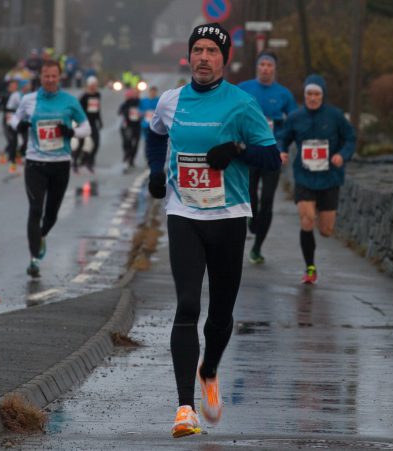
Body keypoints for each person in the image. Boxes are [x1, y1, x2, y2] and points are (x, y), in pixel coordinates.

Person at [145, 22, 282, 438]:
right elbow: (154, 134)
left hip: (228, 217)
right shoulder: (170, 101)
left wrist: (239, 149)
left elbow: (272, 158)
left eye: (212, 51)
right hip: (184, 214)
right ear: (189, 57)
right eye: (198, 50)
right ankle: (185, 408)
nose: (204, 57)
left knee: (220, 314)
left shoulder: (241, 104)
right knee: (188, 305)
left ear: (224, 59)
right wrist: (155, 171)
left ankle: (210, 369)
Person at [10, 60, 90, 278]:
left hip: (60, 163)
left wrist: (71, 132)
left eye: (54, 76)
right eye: (46, 76)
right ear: (41, 77)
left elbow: (86, 127)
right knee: (35, 209)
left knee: (51, 214)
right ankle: (34, 258)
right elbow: (14, 118)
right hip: (35, 163)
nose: (50, 79)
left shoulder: (70, 101)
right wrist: (19, 125)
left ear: (60, 77)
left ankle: (41, 235)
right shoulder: (29, 100)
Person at [277, 74, 355, 284]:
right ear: (304, 96)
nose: (312, 98)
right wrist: (281, 151)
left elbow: (350, 138)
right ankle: (310, 268)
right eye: (309, 94)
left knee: (326, 230)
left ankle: (322, 216)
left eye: (316, 94)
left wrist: (342, 155)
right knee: (307, 220)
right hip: (304, 176)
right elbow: (282, 138)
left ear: (323, 95)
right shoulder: (295, 117)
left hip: (330, 177)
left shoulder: (335, 116)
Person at [238, 50, 297, 264]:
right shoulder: (244, 89)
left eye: (269, 65)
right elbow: (230, 114)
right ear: (257, 67)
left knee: (268, 201)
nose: (265, 68)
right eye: (262, 64)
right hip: (251, 151)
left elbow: (293, 124)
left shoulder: (284, 94)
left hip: (273, 154)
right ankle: (251, 219)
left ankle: (257, 247)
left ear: (274, 69)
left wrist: (285, 146)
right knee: (251, 197)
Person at [73, 75, 102, 173]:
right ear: (88, 86)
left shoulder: (97, 95)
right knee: (81, 144)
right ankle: (75, 164)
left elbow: (97, 109)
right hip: (84, 123)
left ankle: (89, 162)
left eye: (95, 85)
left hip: (93, 123)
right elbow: (78, 111)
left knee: (96, 143)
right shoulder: (84, 97)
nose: (93, 87)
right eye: (92, 85)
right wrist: (78, 122)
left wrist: (100, 120)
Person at [118, 88, 141, 171]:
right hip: (127, 126)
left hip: (137, 126)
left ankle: (131, 159)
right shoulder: (126, 104)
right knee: (127, 142)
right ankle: (127, 157)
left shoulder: (139, 103)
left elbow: (144, 111)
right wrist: (126, 111)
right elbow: (119, 112)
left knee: (135, 144)